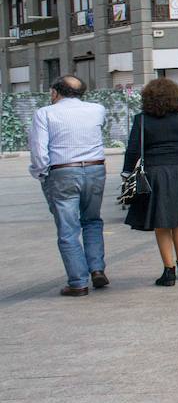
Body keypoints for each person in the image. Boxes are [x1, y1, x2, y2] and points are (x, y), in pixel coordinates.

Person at [29, 75, 108, 297]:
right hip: (95, 168)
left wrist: (42, 174)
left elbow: (39, 150)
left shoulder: (44, 113)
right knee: (92, 220)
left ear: (55, 92)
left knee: (68, 229)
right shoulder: (97, 109)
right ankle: (96, 269)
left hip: (62, 171)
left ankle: (78, 282)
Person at [123, 79, 178, 286]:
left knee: (161, 222)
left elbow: (133, 151)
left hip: (155, 172)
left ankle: (169, 270)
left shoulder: (142, 120)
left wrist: (126, 174)